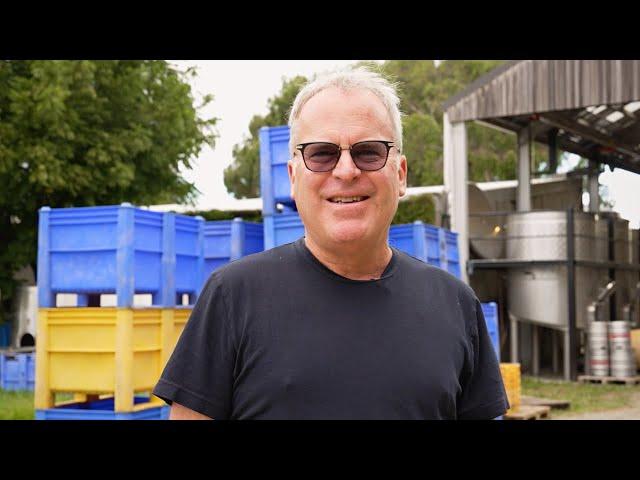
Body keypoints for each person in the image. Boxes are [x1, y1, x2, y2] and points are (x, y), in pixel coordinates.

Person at [152, 67, 509, 420]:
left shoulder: (456, 305)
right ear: (294, 177)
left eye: (368, 151)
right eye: (322, 153)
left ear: (400, 174)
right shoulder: (232, 297)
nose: (346, 171)